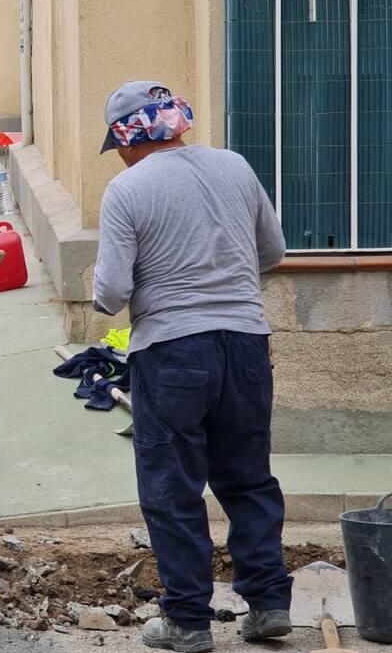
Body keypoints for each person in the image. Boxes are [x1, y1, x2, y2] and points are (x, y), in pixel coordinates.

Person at [92, 81, 291, 652]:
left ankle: (187, 620)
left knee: (172, 487)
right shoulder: (234, 166)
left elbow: (110, 292)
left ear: (129, 138)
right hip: (247, 344)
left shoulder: (127, 188)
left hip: (173, 351)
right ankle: (270, 603)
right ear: (176, 123)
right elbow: (272, 253)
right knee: (248, 477)